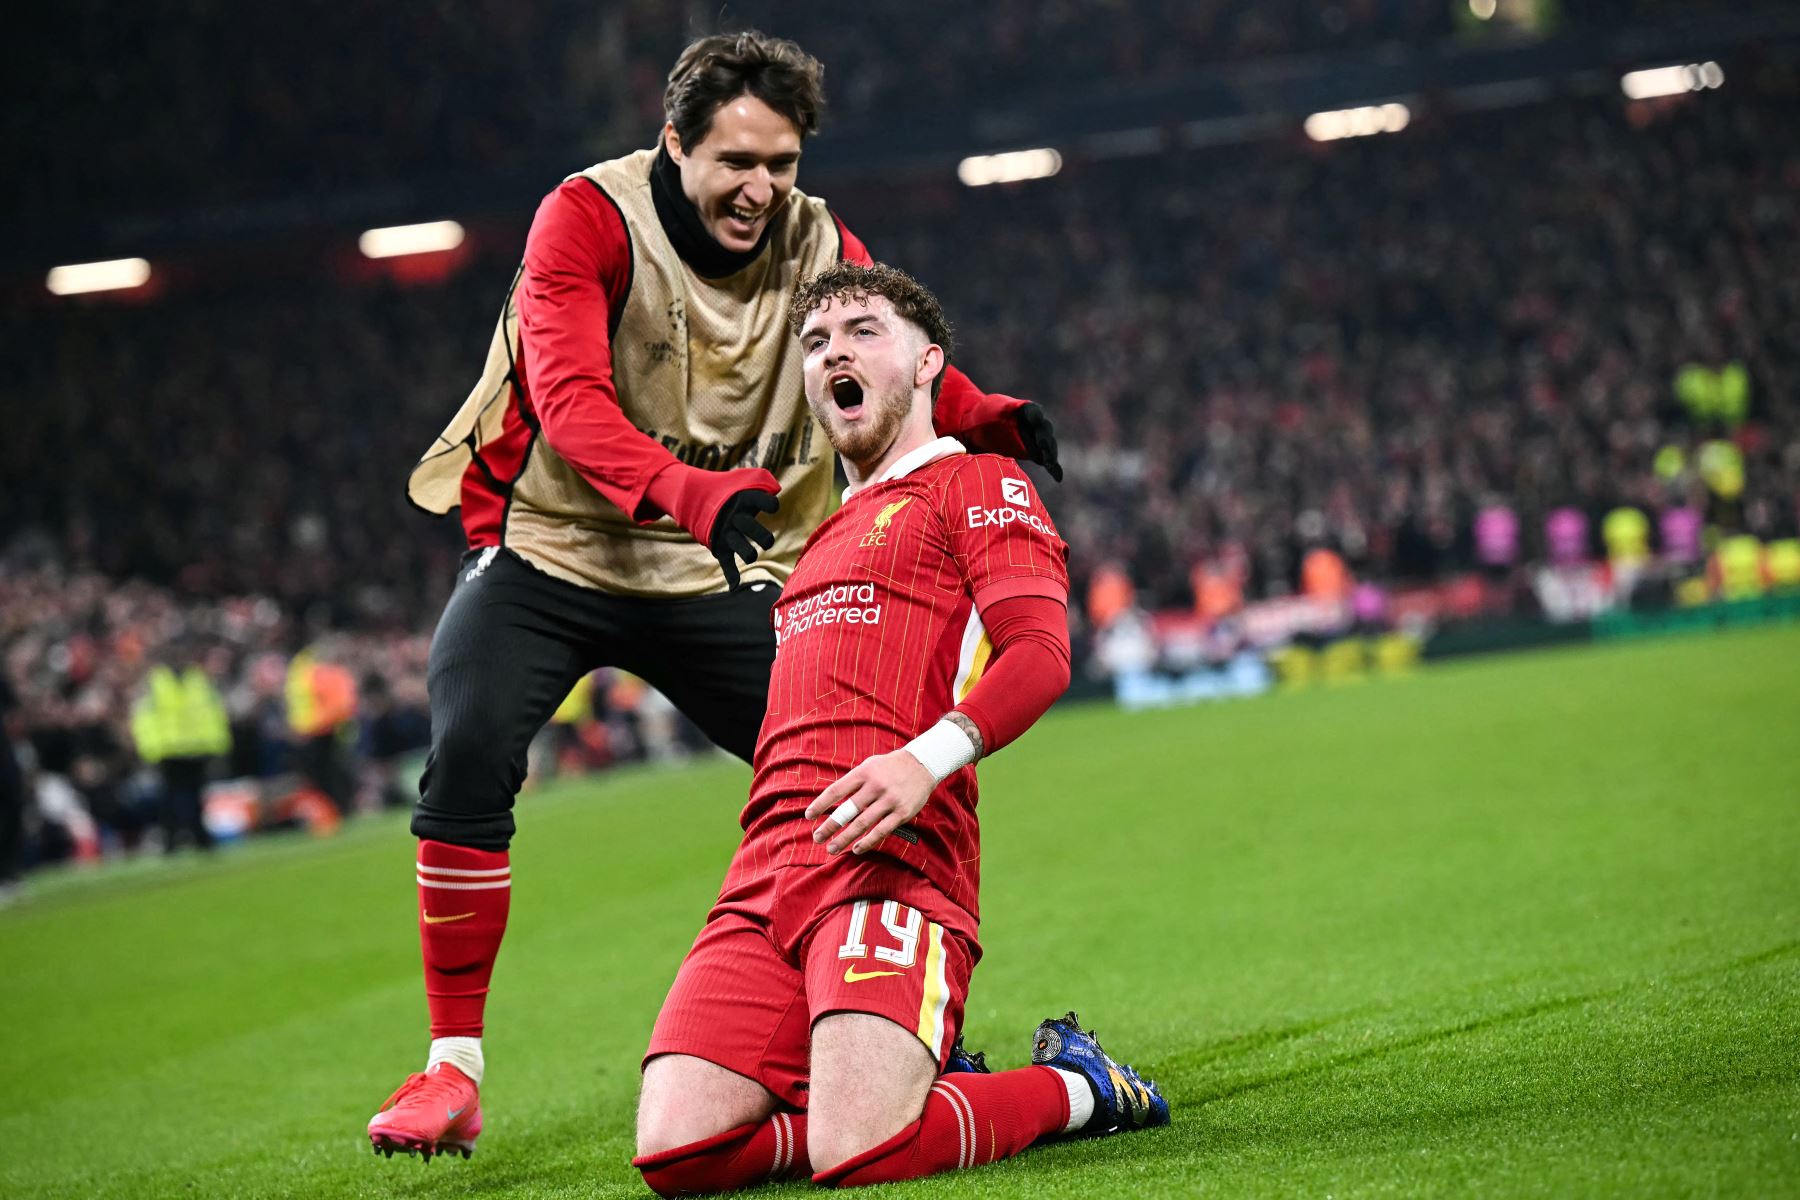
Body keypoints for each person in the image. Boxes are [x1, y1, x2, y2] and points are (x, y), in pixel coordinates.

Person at [370, 31, 1062, 1159]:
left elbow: (888, 331)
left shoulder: (815, 234)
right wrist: (686, 492)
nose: (761, 188)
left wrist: (984, 416)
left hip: (710, 564)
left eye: (782, 164)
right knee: (468, 735)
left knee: (852, 767)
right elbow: (568, 397)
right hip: (557, 545)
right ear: (674, 142)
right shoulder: (587, 219)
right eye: (736, 161)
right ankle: (451, 1070)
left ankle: (903, 1029)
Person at [629, 262, 1167, 1194]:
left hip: (897, 861)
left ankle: (1074, 1085)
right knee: (678, 1155)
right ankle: (908, 1076)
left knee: (863, 1154)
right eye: (814, 342)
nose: (833, 349)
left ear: (927, 365)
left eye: (862, 332)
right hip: (765, 871)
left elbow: (1039, 654)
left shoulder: (977, 483)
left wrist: (924, 762)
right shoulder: (813, 546)